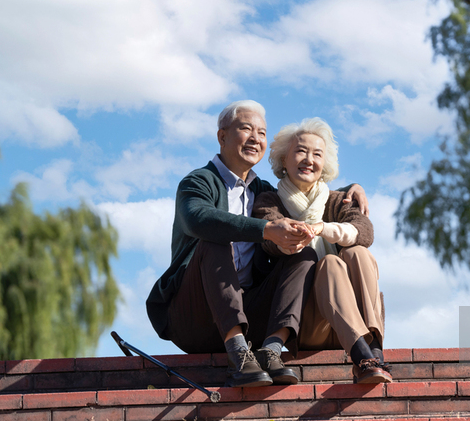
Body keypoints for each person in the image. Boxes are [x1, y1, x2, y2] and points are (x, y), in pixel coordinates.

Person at [146, 101, 367, 388]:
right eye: (246, 129)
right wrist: (266, 229)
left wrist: (351, 188)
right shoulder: (198, 181)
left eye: (262, 133)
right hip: (195, 317)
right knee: (214, 241)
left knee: (304, 254)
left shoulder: (263, 191)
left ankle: (271, 350)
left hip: (252, 315)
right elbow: (199, 219)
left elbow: (306, 188)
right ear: (222, 136)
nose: (255, 139)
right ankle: (238, 352)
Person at [253, 117, 391, 384]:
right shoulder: (269, 201)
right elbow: (270, 240)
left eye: (317, 154)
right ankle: (363, 357)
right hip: (305, 323)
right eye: (301, 151)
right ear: (284, 159)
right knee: (330, 264)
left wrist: (321, 228)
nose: (309, 159)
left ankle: (373, 350)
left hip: (347, 320)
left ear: (324, 163)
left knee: (357, 253)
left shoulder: (339, 200)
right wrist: (291, 234)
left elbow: (365, 231)